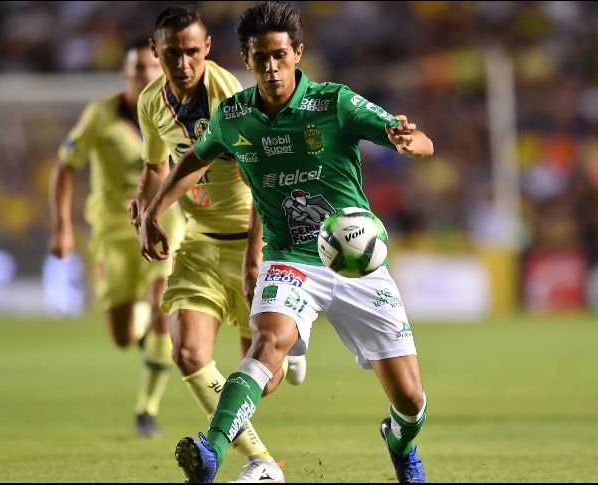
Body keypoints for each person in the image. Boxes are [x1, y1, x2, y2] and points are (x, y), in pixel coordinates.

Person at [139, 1, 435, 482]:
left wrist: (405, 139)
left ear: (298, 52)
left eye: (280, 55)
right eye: (260, 58)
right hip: (289, 258)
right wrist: (154, 211)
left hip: (356, 262)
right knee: (267, 342)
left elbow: (420, 140)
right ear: (246, 59)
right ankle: (210, 450)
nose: (271, 68)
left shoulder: (334, 102)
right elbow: (195, 159)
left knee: (411, 400)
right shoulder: (234, 116)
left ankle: (400, 444)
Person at [130, 5, 305, 482]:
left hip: (256, 239)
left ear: (206, 48)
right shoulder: (150, 103)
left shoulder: (229, 95)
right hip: (202, 242)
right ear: (155, 52)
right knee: (186, 353)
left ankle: (292, 339)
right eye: (172, 54)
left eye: (192, 51)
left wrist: (254, 258)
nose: (183, 64)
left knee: (260, 382)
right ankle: (261, 462)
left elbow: (263, 177)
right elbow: (156, 166)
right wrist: (147, 208)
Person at [48, 37, 186, 439]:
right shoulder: (100, 116)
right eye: (138, 68)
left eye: (152, 67)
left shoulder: (175, 112)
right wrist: (62, 224)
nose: (146, 74)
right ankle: (145, 334)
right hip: (113, 232)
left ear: (162, 70)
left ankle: (147, 410)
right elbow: (64, 164)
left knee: (165, 305)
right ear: (126, 74)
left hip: (164, 224)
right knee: (124, 336)